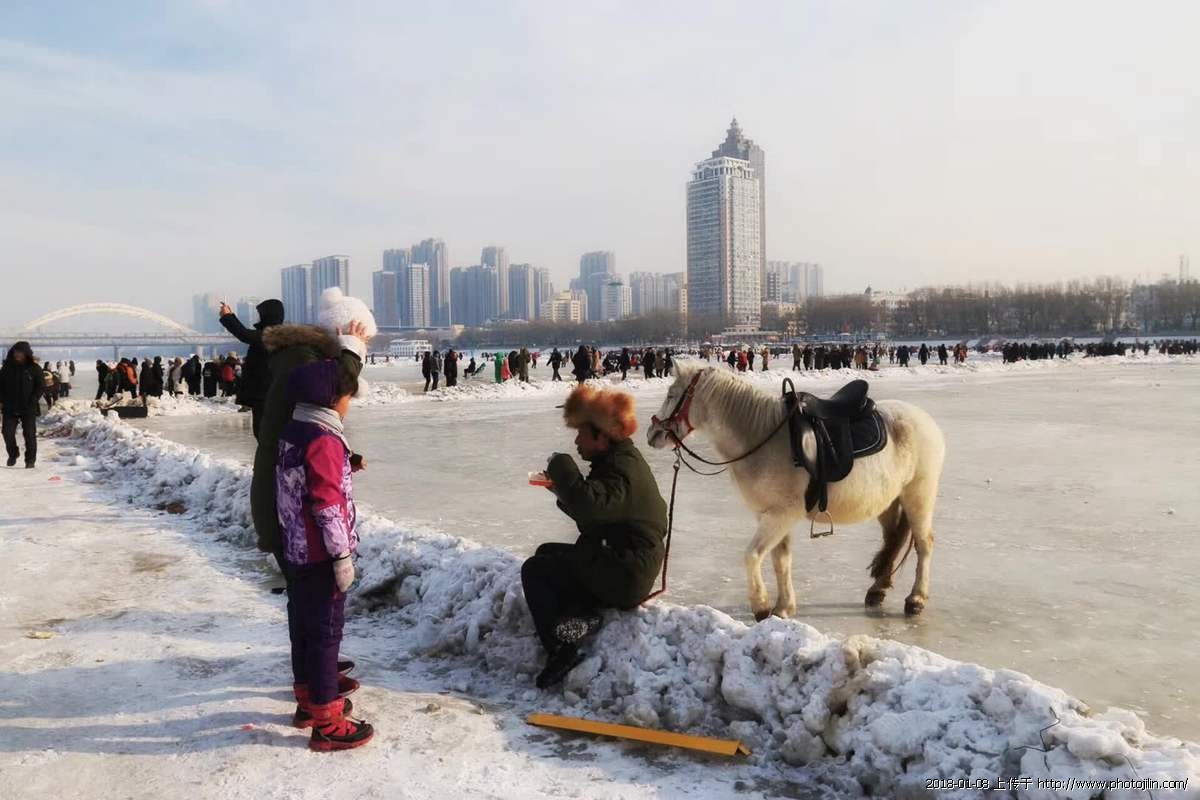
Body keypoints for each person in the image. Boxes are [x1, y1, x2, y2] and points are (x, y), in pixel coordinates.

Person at [522, 384, 668, 688]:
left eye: (581, 434)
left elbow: (589, 509)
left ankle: (561, 648)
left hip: (626, 573)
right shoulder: (617, 461)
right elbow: (597, 513)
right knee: (547, 552)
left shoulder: (620, 470)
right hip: (622, 562)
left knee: (535, 570)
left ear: (602, 436)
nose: (576, 441)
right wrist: (560, 489)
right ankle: (581, 617)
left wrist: (560, 465)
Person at [275, 358, 374, 751]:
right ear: (333, 399)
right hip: (321, 556)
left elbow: (303, 481)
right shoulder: (324, 440)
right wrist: (341, 556)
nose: (350, 403)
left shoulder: (295, 429)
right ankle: (328, 722)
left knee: (303, 628)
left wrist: (345, 465)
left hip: (296, 550)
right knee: (325, 635)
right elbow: (328, 505)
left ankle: (308, 701)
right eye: (348, 396)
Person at [219, 299, 286, 438]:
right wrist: (230, 315)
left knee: (263, 434)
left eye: (260, 315)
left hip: (264, 394)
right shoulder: (279, 336)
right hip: (268, 393)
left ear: (268, 315)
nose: (258, 319)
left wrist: (227, 316)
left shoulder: (271, 336)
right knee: (264, 433)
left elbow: (244, 334)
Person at [1, 342, 44, 468]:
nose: (17, 354)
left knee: (29, 435)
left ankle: (30, 460)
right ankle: (13, 453)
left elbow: (40, 386)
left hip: (28, 407)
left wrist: (33, 400)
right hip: (10, 407)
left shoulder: (34, 368)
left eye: (20, 352)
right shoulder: (6, 368)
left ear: (26, 353)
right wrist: (2, 400)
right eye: (15, 352)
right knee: (7, 432)